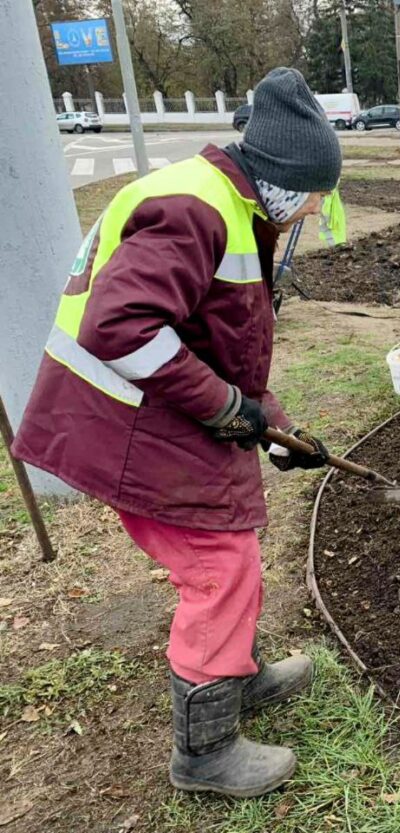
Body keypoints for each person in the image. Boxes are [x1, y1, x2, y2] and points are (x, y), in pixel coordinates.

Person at [12, 67, 343, 797]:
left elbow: (216, 339)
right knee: (219, 568)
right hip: (121, 425)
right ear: (285, 179)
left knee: (234, 548)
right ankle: (206, 754)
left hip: (150, 415)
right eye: (318, 195)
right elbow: (119, 327)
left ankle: (237, 673)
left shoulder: (227, 200)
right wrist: (227, 407)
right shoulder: (197, 210)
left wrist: (276, 425)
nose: (316, 211)